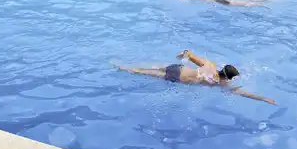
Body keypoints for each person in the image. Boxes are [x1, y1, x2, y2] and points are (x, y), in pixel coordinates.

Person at [118, 50, 277, 105]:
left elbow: (190, 55)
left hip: (177, 67)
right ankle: (124, 68)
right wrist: (263, 99)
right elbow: (241, 93)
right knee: (145, 73)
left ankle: (122, 65)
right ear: (227, 78)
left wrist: (183, 54)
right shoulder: (218, 83)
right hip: (177, 78)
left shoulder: (210, 65)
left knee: (147, 68)